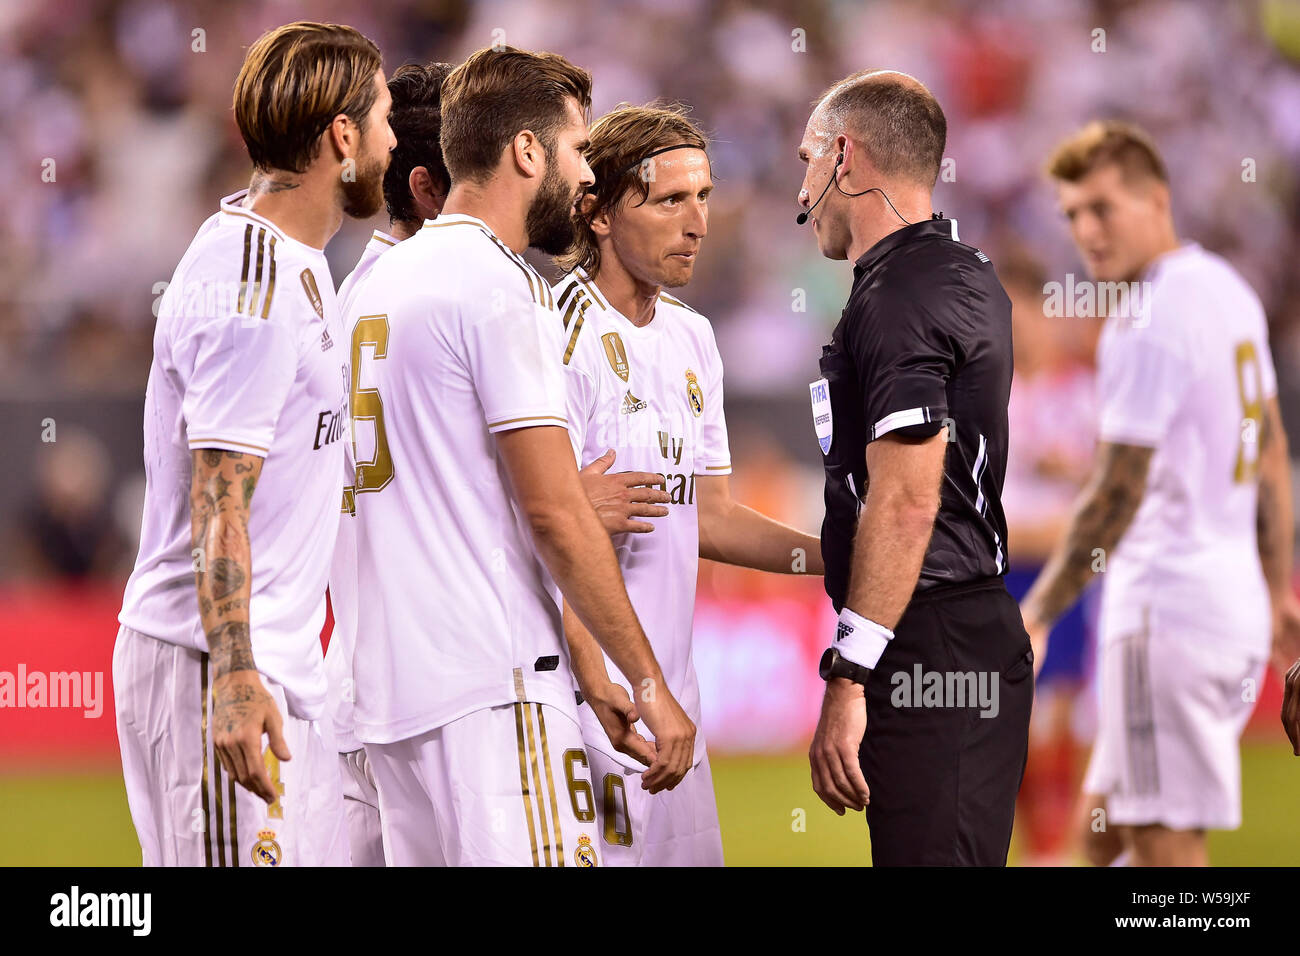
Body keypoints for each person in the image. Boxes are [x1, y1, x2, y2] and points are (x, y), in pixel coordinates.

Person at [346, 46, 694, 867]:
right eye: (577, 151)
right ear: (526, 152)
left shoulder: (374, 285)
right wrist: (647, 680)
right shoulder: (502, 286)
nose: (588, 178)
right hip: (492, 685)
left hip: (390, 699)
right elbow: (552, 510)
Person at [113, 21, 394, 866]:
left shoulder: (295, 258)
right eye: (381, 119)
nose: (390, 139)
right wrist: (234, 675)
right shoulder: (254, 282)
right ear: (342, 138)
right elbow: (218, 492)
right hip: (216, 660)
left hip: (272, 661)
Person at [1021, 120, 1300, 867]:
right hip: (1228, 604)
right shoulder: (1229, 290)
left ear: (1157, 200)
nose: (1086, 230)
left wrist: (1040, 612)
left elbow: (1117, 488)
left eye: (1103, 208)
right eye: (1073, 214)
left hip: (1166, 611)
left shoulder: (1144, 319)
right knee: (1096, 842)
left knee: (1167, 850)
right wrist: (1278, 594)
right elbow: (1270, 450)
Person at [552, 103, 824, 865]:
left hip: (674, 697)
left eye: (703, 196)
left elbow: (710, 517)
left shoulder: (692, 337)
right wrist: (619, 682)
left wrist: (838, 555)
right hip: (590, 703)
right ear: (598, 213)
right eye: (671, 200)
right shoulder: (554, 335)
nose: (698, 221)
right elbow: (547, 531)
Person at [797, 69, 1033, 866]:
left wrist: (850, 673)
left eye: (807, 160)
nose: (802, 190)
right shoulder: (952, 270)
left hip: (935, 638)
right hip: (953, 631)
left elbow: (905, 501)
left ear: (842, 156)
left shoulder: (902, 293)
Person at [325, 60, 454, 869]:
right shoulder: (450, 293)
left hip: (354, 673)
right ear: (432, 187)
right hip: (444, 685)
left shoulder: (348, 294)